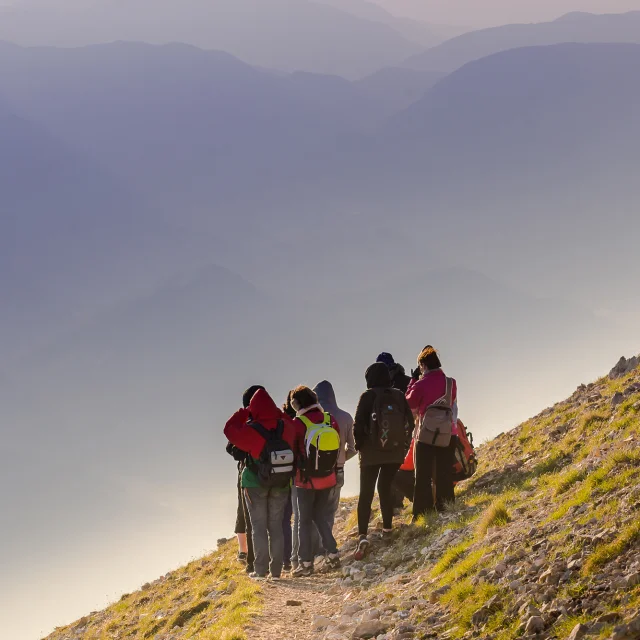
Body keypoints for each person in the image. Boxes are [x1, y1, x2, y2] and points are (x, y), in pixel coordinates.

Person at [224, 387, 296, 580]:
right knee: (276, 527)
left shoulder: (250, 430)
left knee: (258, 527)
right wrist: (277, 412)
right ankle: (276, 571)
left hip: (254, 484)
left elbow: (228, 429)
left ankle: (260, 570)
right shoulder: (286, 427)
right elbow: (294, 424)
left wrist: (246, 411)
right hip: (281, 483)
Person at [353, 363, 414, 560]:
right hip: (394, 453)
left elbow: (358, 424)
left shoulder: (367, 396)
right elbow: (409, 422)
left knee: (366, 493)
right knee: (385, 488)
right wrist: (403, 447)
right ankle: (388, 529)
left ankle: (363, 535)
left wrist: (360, 446)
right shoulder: (398, 395)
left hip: (371, 454)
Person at [290, 385, 342, 577]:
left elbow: (293, 450)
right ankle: (333, 553)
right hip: (328, 477)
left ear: (296, 404)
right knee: (320, 516)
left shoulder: (298, 423)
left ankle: (305, 564)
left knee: (303, 521)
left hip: (305, 481)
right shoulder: (329, 419)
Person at [406, 346, 458, 517]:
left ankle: (422, 512)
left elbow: (409, 406)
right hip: (447, 433)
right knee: (444, 472)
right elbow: (453, 407)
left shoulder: (420, 385)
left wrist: (412, 382)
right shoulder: (451, 383)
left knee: (423, 475)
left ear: (423, 365)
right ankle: (446, 506)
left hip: (426, 435)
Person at [314, 380, 357, 529]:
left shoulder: (312, 418)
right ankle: (327, 547)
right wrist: (340, 459)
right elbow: (354, 447)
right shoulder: (346, 417)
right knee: (329, 511)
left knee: (314, 511)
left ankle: (314, 549)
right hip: (337, 470)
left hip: (315, 471)